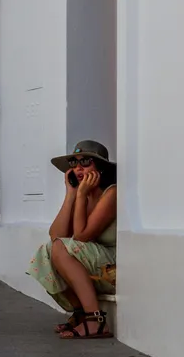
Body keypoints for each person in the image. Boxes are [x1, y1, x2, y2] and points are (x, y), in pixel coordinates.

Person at [28, 139, 118, 339]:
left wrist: (81, 195)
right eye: (74, 163)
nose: (78, 168)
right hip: (93, 262)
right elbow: (55, 235)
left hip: (113, 267)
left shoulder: (111, 193)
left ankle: (95, 320)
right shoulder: (82, 196)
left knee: (61, 247)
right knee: (47, 251)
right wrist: (71, 194)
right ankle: (80, 314)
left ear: (100, 167)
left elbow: (81, 236)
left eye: (86, 162)